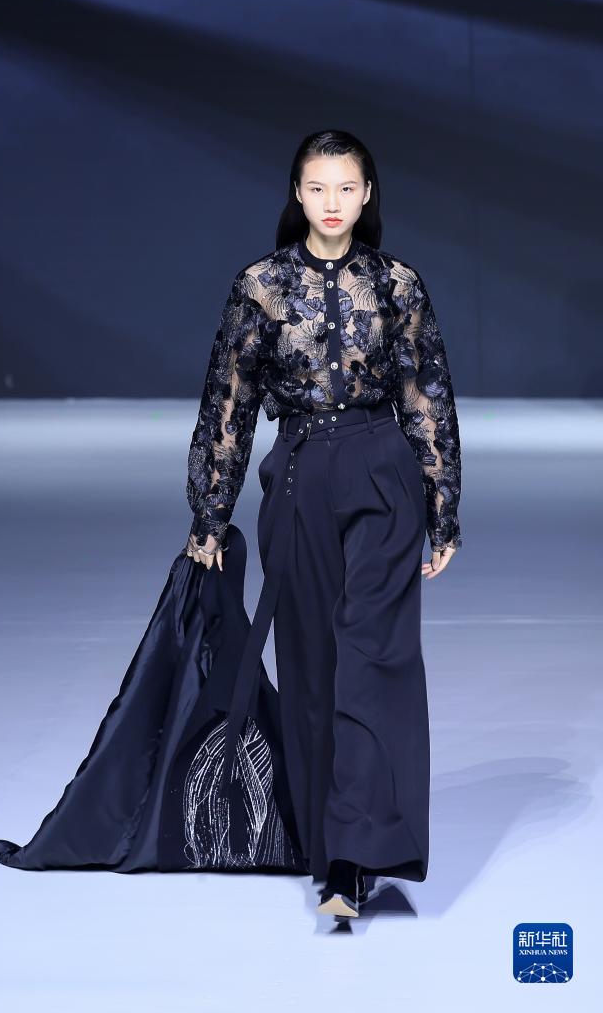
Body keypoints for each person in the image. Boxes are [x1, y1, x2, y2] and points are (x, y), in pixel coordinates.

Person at [184, 128, 463, 918]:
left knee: (374, 659)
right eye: (317, 187)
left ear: (367, 193)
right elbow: (229, 402)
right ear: (297, 194)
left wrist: (442, 508)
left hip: (381, 473)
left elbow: (427, 395)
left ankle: (352, 858)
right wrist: (211, 511)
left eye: (346, 187)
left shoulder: (398, 285)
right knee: (312, 662)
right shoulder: (261, 286)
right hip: (300, 477)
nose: (332, 202)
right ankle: (324, 841)